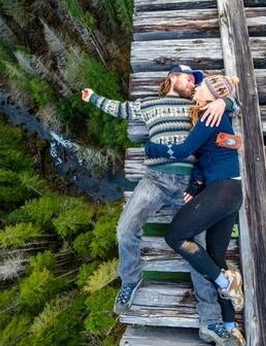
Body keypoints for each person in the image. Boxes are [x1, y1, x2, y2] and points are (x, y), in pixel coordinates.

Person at [81, 65, 241, 346]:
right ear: (172, 77)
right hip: (154, 179)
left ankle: (210, 321)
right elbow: (119, 108)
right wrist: (93, 97)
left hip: (188, 186)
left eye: (195, 82)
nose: (192, 85)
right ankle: (131, 280)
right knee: (125, 229)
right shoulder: (148, 104)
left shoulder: (197, 108)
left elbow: (232, 103)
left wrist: (223, 102)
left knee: (197, 248)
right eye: (188, 79)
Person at [145, 75, 245, 346]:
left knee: (174, 236)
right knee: (216, 256)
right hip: (230, 192)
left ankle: (224, 282)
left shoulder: (209, 115)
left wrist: (152, 148)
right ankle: (230, 325)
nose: (196, 89)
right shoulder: (213, 112)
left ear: (210, 94)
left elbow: (183, 150)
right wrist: (196, 182)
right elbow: (204, 156)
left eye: (199, 86)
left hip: (222, 190)